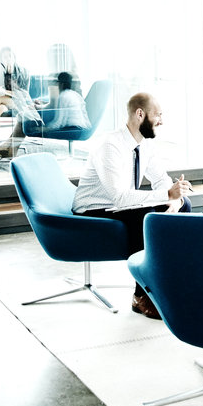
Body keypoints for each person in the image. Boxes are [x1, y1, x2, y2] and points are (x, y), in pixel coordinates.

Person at [72, 92, 192, 319]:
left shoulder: (145, 144)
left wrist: (174, 200)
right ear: (140, 114)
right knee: (144, 216)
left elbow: (161, 179)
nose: (161, 121)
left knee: (183, 206)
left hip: (121, 205)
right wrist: (166, 194)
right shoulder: (110, 145)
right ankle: (142, 295)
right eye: (158, 115)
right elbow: (118, 197)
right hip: (93, 208)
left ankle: (168, 285)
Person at [0, 65, 45, 159]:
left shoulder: (22, 92)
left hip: (27, 112)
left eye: (14, 80)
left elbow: (26, 105)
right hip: (21, 111)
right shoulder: (12, 91)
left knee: (1, 100)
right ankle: (9, 149)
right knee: (1, 106)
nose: (12, 82)